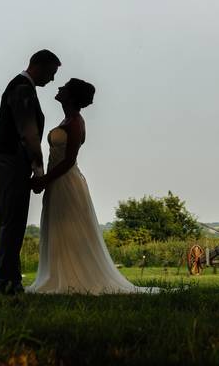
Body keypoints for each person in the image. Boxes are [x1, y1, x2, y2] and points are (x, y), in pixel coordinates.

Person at [28, 78, 156, 294]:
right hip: (56, 182)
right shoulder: (67, 120)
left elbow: (69, 161)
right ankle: (59, 274)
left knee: (70, 228)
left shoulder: (76, 122)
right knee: (57, 228)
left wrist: (44, 179)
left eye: (64, 87)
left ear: (71, 95)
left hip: (67, 182)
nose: (59, 88)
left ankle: (75, 278)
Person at [0, 49, 61, 295]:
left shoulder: (22, 87)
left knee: (13, 220)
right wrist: (38, 168)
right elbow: (28, 133)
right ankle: (4, 281)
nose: (52, 80)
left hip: (8, 159)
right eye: (52, 73)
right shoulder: (23, 89)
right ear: (39, 66)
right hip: (11, 160)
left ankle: (10, 278)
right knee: (13, 219)